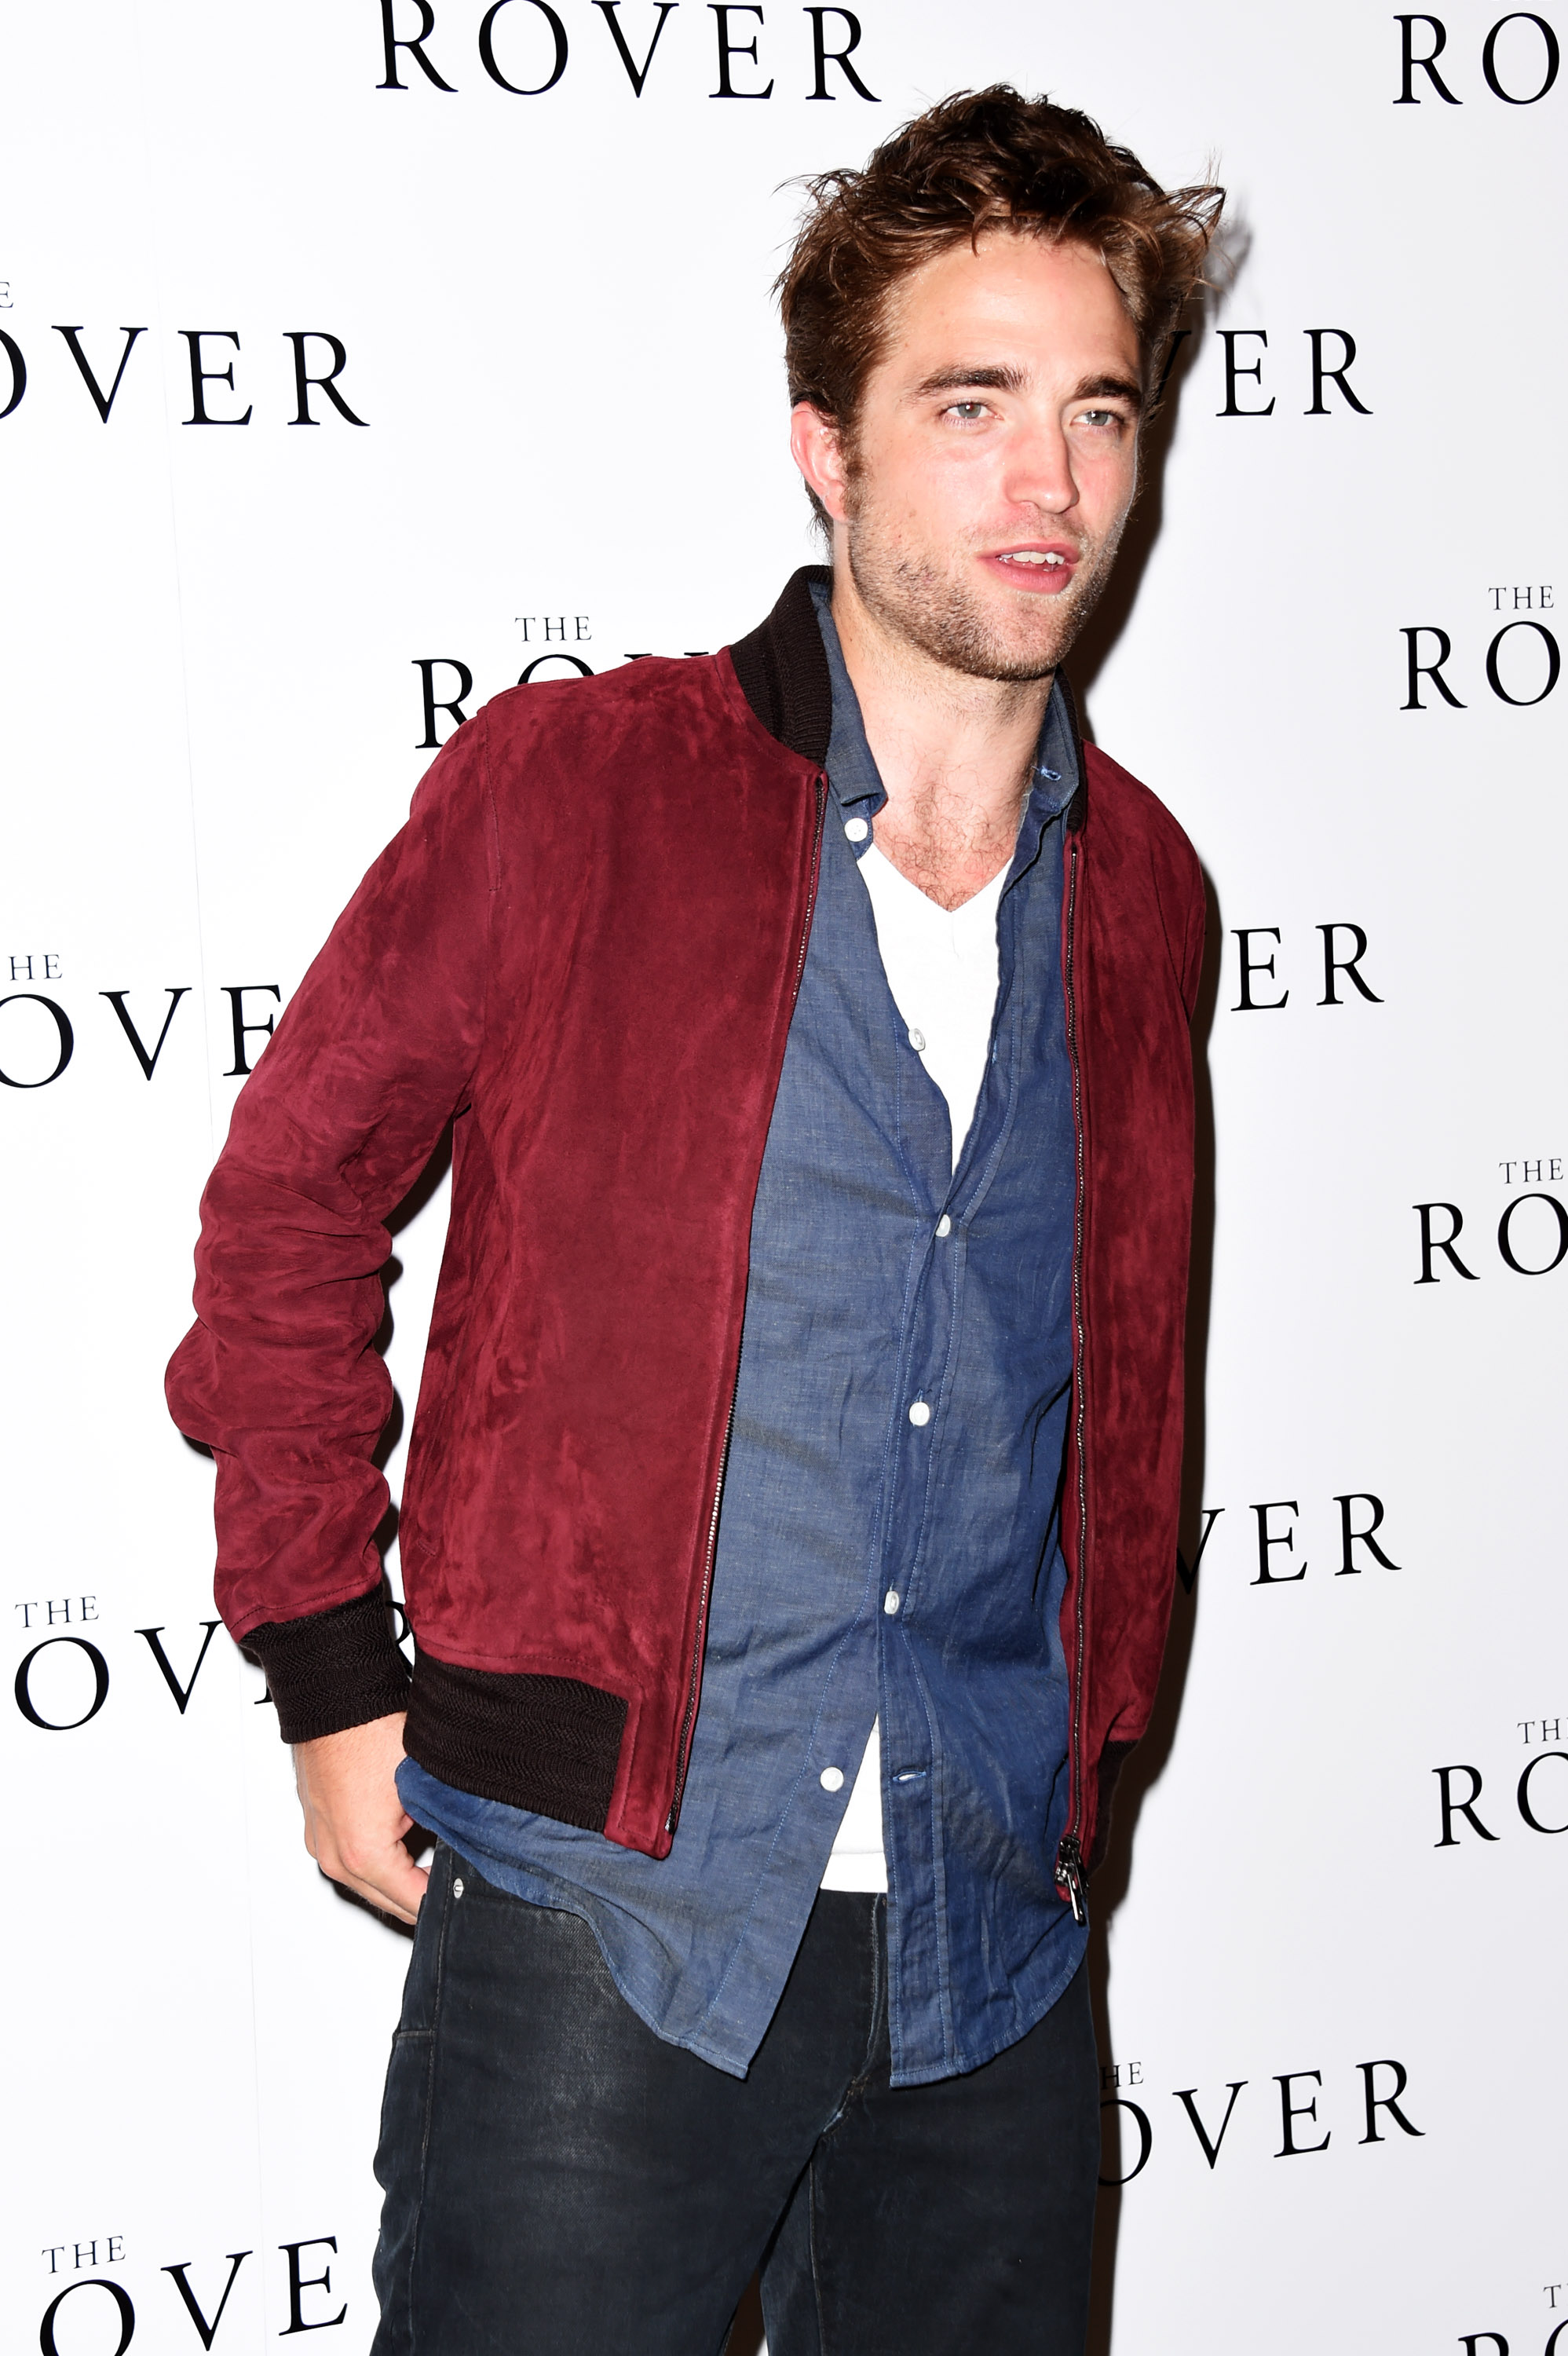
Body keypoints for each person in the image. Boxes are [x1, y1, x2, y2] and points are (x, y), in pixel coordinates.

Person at [167, 85, 1221, 2356]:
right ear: (826, 451)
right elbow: (284, 1216)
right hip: (603, 1920)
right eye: (971, 406)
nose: (1049, 484)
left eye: (1098, 411)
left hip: (995, 1952)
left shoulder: (1144, 893)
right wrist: (331, 1675)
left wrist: (1095, 1761)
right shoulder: (579, 794)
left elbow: (1125, 1387)